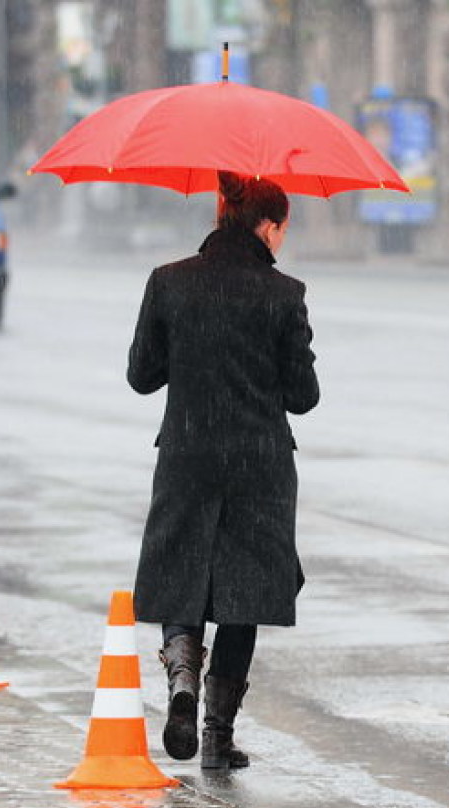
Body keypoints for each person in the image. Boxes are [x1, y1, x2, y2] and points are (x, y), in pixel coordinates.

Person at [127, 171, 320, 770]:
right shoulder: (284, 294)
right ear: (268, 226)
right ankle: (216, 735)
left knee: (182, 572)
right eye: (283, 229)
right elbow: (303, 395)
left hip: (186, 456)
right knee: (244, 594)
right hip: (259, 467)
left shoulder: (169, 282)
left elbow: (142, 375)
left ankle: (182, 673)